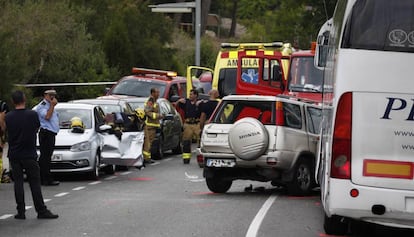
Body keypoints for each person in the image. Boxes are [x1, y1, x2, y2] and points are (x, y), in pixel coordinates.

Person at [5, 90, 58, 219]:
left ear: (13, 102)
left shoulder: (9, 117)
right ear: (24, 100)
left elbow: (7, 132)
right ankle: (41, 210)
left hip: (14, 153)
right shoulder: (32, 115)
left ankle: (21, 211)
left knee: (18, 183)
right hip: (29, 153)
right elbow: (36, 128)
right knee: (34, 182)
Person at [35, 89, 60, 186]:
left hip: (51, 133)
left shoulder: (50, 106)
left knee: (47, 157)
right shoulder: (43, 106)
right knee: (45, 157)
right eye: (51, 95)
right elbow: (47, 117)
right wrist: (53, 106)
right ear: (45, 95)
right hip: (46, 133)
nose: (53, 98)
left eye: (54, 95)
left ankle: (46, 177)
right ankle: (44, 178)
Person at [177, 89, 201, 164]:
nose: (189, 96)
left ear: (196, 95)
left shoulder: (200, 103)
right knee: (186, 141)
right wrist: (178, 101)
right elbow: (176, 107)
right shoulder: (186, 102)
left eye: (191, 94)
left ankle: (201, 158)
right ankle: (186, 159)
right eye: (189, 94)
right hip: (188, 124)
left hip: (197, 124)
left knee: (201, 140)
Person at [143, 87, 164, 163]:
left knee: (150, 143)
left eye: (158, 92)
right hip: (149, 126)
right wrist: (157, 116)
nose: (158, 94)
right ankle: (146, 158)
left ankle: (147, 158)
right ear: (152, 93)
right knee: (147, 143)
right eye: (157, 92)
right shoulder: (150, 101)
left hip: (153, 126)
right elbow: (147, 111)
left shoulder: (155, 101)